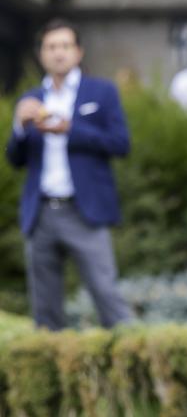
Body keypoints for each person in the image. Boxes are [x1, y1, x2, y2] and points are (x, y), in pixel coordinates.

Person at [5, 20, 132, 330]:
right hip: (42, 211)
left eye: (64, 46)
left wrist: (71, 129)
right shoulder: (33, 98)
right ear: (41, 55)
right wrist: (20, 128)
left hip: (84, 210)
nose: (58, 53)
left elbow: (120, 144)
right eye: (51, 47)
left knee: (107, 296)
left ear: (78, 52)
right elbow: (15, 159)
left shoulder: (101, 92)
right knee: (45, 310)